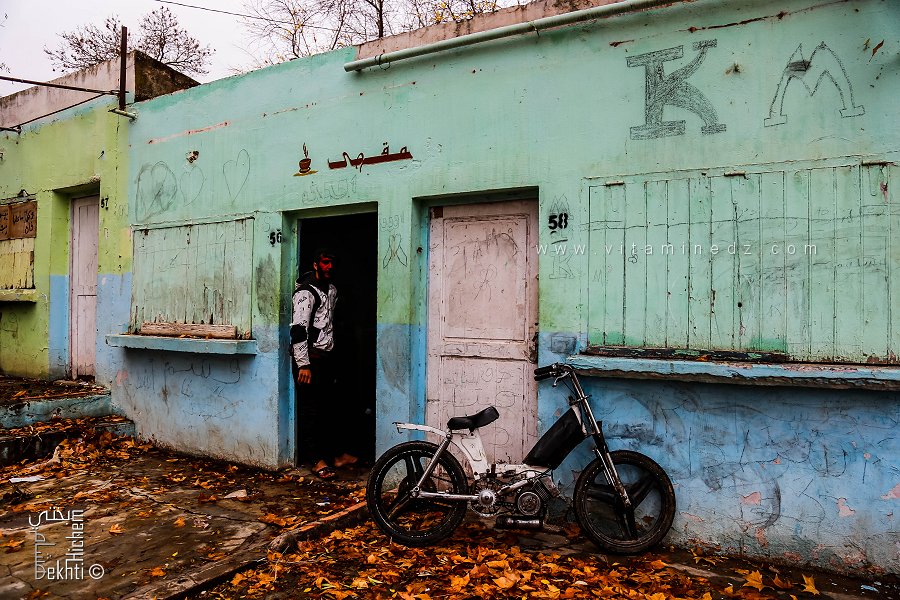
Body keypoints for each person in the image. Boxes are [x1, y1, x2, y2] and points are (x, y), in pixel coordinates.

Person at [291, 248, 358, 479]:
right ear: (316, 264)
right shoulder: (305, 293)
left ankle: (336, 456)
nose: (330, 266)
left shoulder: (331, 290)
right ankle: (316, 460)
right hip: (311, 362)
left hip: (327, 359)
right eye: (325, 262)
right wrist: (303, 364)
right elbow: (299, 330)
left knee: (331, 408)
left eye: (333, 262)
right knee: (311, 411)